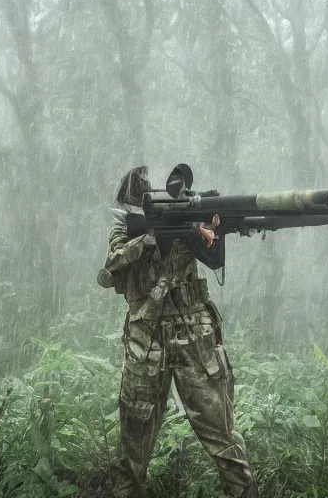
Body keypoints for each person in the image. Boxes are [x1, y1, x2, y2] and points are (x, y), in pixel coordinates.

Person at [98, 166, 259, 498]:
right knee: (132, 451)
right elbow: (113, 263)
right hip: (147, 341)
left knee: (223, 439)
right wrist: (153, 238)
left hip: (193, 336)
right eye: (142, 192)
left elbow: (213, 259)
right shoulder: (127, 227)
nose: (150, 192)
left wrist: (210, 232)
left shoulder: (187, 211)